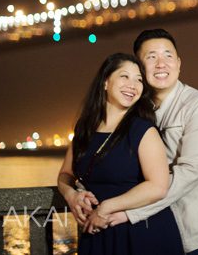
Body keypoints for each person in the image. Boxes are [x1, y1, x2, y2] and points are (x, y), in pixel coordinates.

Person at [92, 28, 198, 254]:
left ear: (179, 63)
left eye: (168, 55)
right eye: (151, 57)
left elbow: (190, 171)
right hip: (163, 232)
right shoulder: (136, 113)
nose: (161, 63)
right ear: (140, 68)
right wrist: (77, 192)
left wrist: (128, 211)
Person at [57, 52, 184, 254]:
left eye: (139, 80)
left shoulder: (143, 130)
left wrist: (106, 207)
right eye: (124, 76)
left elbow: (158, 187)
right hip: (98, 231)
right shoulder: (85, 127)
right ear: (105, 82)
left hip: (142, 233)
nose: (133, 85)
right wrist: (71, 195)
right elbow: (66, 174)